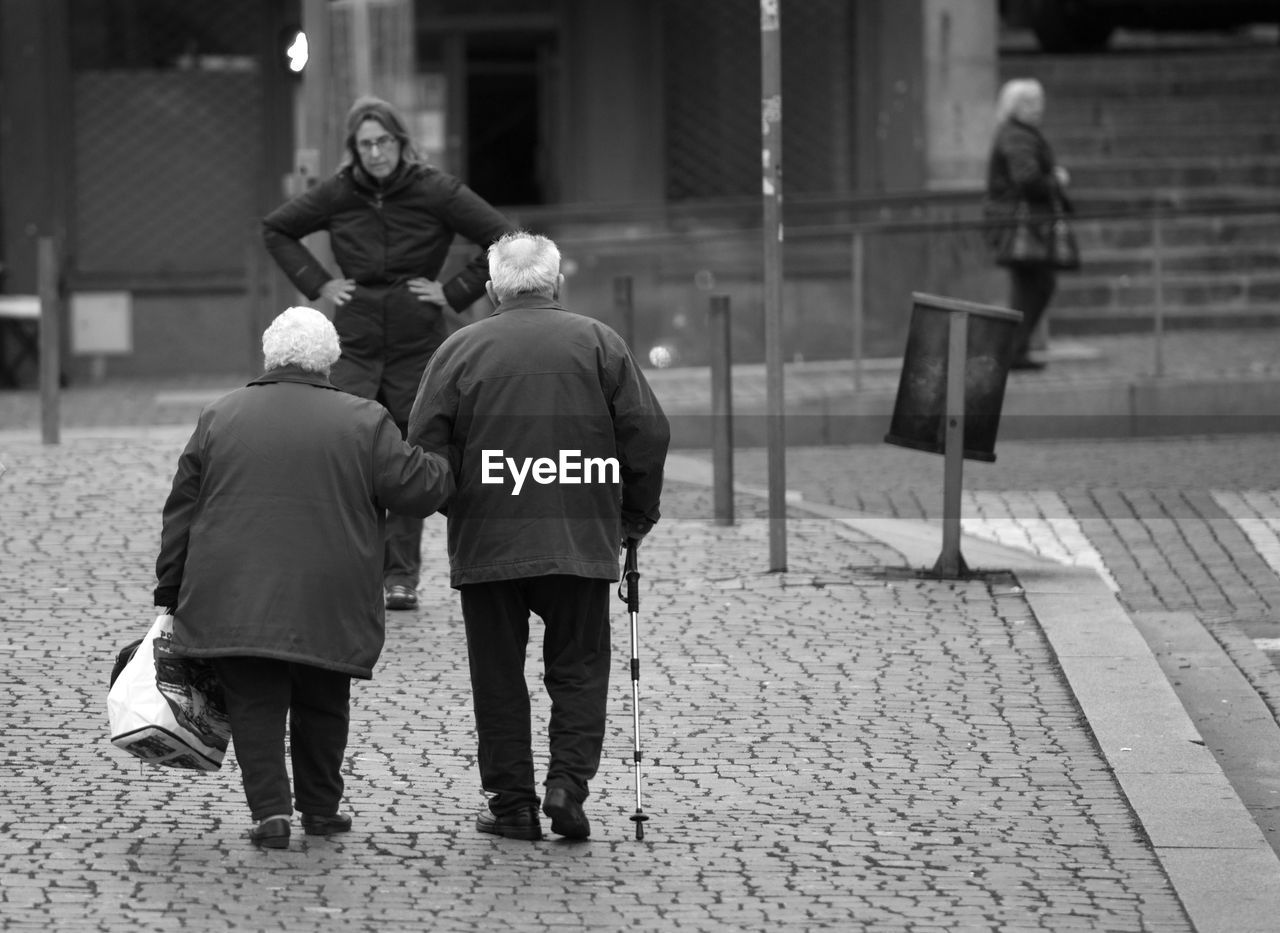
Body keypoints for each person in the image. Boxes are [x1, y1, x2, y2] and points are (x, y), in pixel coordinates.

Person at [153, 306, 454, 849]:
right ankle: (321, 808)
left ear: (269, 356)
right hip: (329, 594)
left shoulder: (219, 415)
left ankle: (271, 812)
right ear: (331, 362)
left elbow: (182, 512)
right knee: (324, 698)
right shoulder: (365, 418)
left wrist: (169, 590)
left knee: (253, 704)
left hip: (233, 593)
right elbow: (419, 490)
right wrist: (441, 442)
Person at [407, 232, 670, 841]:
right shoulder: (600, 343)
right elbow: (647, 433)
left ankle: (513, 807)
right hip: (578, 540)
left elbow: (423, 446)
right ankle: (567, 785)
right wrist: (635, 516)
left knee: (497, 676)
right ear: (556, 283)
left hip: (488, 542)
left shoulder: (459, 350)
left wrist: (460, 504)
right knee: (579, 668)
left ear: (495, 286)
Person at [263, 95, 514, 612]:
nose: (376, 153)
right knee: (346, 446)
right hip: (354, 340)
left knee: (406, 452)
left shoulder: (436, 190)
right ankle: (352, 568)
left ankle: (400, 577)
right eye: (365, 144)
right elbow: (276, 228)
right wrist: (321, 283)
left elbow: (503, 236)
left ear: (401, 142)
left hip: (415, 339)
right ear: (353, 150)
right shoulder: (338, 192)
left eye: (384, 141)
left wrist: (454, 292)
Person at [983, 77, 1071, 371]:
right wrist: (1055, 180)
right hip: (1022, 224)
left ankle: (1014, 351)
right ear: (1013, 106)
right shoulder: (1017, 136)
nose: (1037, 108)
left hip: (1020, 222)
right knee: (1035, 285)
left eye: (1039, 101)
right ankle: (1011, 352)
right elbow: (1027, 178)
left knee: (1034, 285)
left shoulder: (1016, 133)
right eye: (1028, 103)